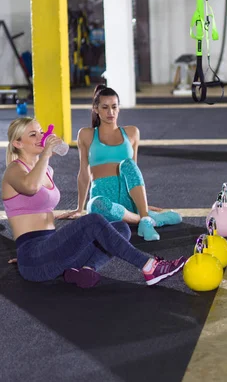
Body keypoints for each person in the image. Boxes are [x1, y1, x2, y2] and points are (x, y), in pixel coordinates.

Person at [2, 117, 186, 288]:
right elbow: (31, 187)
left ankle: (86, 270)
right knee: (93, 221)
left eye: (41, 132)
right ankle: (149, 266)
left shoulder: (47, 170)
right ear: (18, 143)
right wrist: (46, 155)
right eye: (33, 134)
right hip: (34, 256)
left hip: (52, 252)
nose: (41, 137)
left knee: (120, 228)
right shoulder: (14, 170)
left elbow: (37, 210)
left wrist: (61, 221)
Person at [58, 84, 182, 241]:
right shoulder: (86, 134)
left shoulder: (132, 132)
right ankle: (147, 219)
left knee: (128, 164)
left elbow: (134, 173)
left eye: (114, 107)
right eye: (105, 107)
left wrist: (142, 204)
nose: (110, 112)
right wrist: (79, 208)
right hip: (103, 200)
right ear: (96, 109)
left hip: (127, 197)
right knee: (95, 205)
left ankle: (142, 215)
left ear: (119, 108)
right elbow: (83, 173)